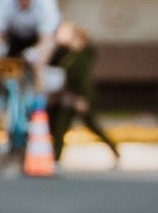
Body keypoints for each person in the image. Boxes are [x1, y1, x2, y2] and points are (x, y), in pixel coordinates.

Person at [46, 21, 122, 162]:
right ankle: (56, 157)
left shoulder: (83, 57)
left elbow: (83, 80)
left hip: (78, 97)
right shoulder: (69, 55)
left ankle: (114, 148)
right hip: (67, 97)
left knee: (92, 125)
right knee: (60, 127)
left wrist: (81, 98)